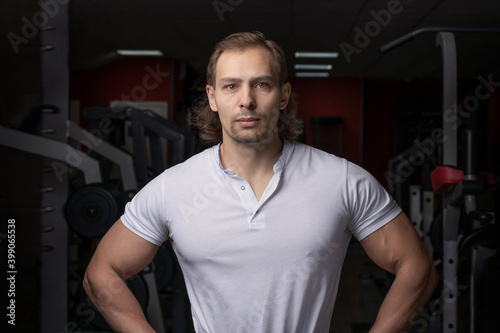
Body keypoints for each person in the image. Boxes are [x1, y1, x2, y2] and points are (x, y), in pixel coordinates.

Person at [83, 31, 438, 333]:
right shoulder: (172, 188)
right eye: (231, 86)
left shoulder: (343, 180)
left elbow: (417, 267)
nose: (246, 100)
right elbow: (101, 273)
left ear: (283, 96)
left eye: (261, 84)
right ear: (212, 97)